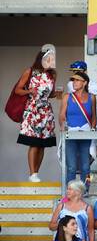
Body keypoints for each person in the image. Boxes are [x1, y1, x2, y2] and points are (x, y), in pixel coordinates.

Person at [15, 45, 59, 181]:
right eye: (49, 58)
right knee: (34, 143)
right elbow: (18, 90)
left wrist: (57, 94)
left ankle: (36, 173)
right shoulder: (30, 71)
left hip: (45, 110)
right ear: (42, 58)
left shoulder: (52, 75)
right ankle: (32, 173)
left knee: (42, 144)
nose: (51, 61)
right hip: (33, 109)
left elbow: (49, 94)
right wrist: (29, 91)